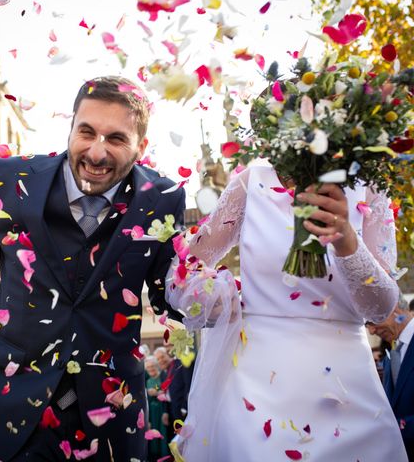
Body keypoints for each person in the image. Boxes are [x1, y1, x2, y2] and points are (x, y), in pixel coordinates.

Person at [0, 75, 186, 461]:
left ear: (141, 146)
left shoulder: (164, 199)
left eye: (116, 139)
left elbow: (167, 293)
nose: (97, 153)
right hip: (11, 403)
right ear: (70, 129)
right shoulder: (12, 178)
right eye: (86, 132)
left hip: (112, 411)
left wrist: (210, 293)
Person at [167, 165, 406, 460]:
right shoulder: (251, 181)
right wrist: (214, 294)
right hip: (256, 383)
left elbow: (381, 308)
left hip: (347, 383)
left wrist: (347, 242)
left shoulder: (370, 185)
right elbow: (183, 273)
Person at [367, 298, 414, 459]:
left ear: (392, 307)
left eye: (371, 321)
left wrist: (394, 428)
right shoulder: (393, 350)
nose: (371, 331)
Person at [144, 356, 168, 460]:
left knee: (163, 435)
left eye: (152, 366)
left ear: (156, 366)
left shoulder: (162, 377)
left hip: (162, 410)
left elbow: (163, 388)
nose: (150, 369)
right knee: (153, 437)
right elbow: (147, 401)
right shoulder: (148, 381)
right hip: (152, 413)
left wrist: (156, 392)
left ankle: (165, 457)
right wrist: (147, 419)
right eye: (148, 367)